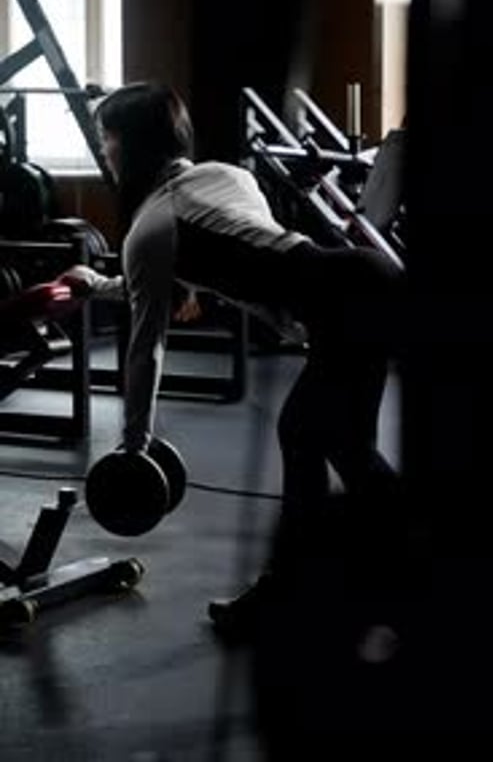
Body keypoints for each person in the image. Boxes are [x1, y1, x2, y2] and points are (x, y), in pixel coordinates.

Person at [61, 81, 404, 638]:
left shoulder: (151, 225)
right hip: (363, 278)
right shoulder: (228, 175)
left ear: (131, 144)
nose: (105, 152)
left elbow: (146, 343)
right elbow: (246, 252)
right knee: (345, 445)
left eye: (108, 139)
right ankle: (375, 578)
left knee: (304, 432)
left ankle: (296, 591)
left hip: (346, 302)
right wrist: (96, 283)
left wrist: (132, 444)